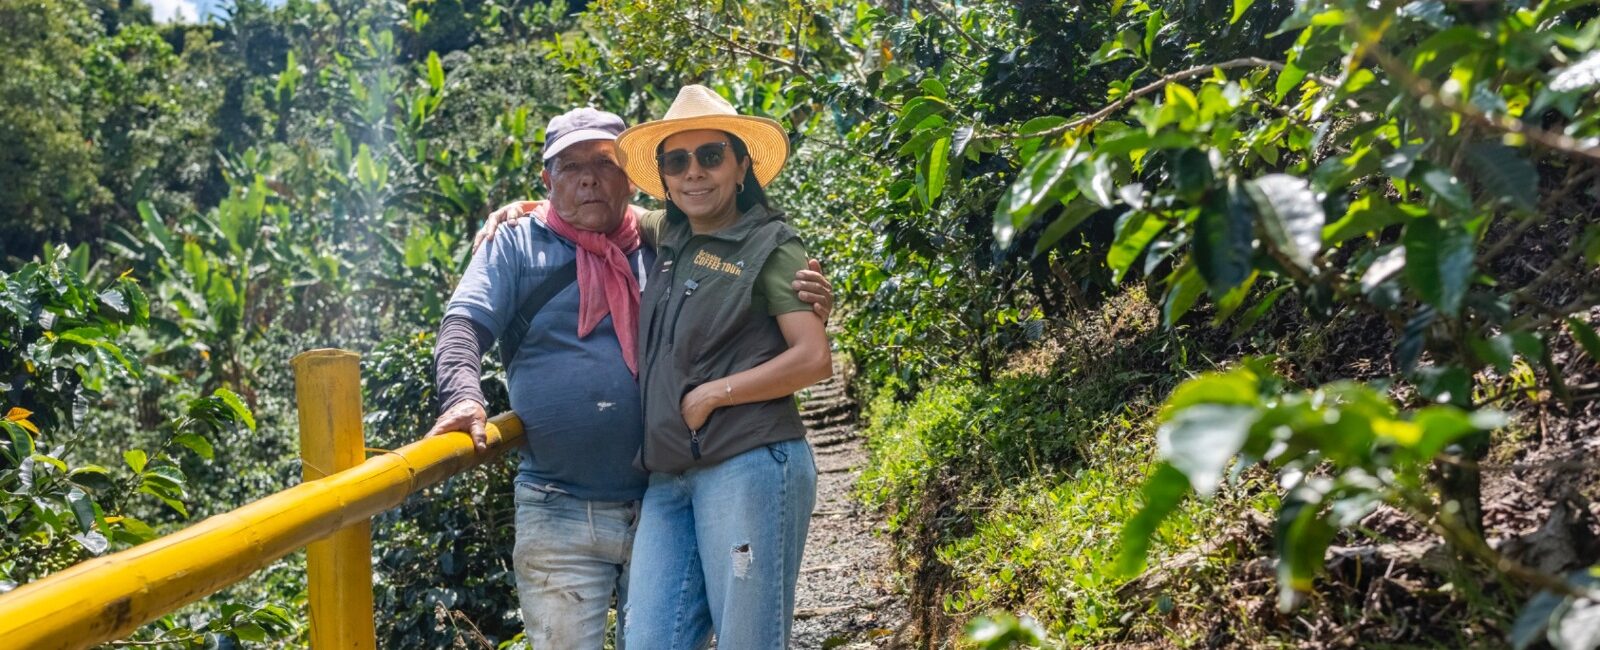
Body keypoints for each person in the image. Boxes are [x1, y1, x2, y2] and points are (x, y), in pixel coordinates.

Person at [421, 106, 832, 648]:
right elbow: (463, 324)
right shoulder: (524, 242)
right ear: (547, 181)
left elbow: (790, 325)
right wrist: (462, 395)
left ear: (632, 178)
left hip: (676, 487)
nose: (588, 177)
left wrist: (801, 306)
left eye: (603, 162)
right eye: (569, 167)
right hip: (562, 501)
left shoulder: (665, 240)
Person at [615, 84, 832, 649]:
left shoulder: (771, 245)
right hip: (669, 477)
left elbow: (813, 358)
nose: (694, 173)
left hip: (749, 463)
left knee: (747, 641)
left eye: (711, 156)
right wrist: (525, 211)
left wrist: (717, 393)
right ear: (663, 175)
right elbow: (610, 214)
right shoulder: (672, 233)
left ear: (741, 167)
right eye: (677, 161)